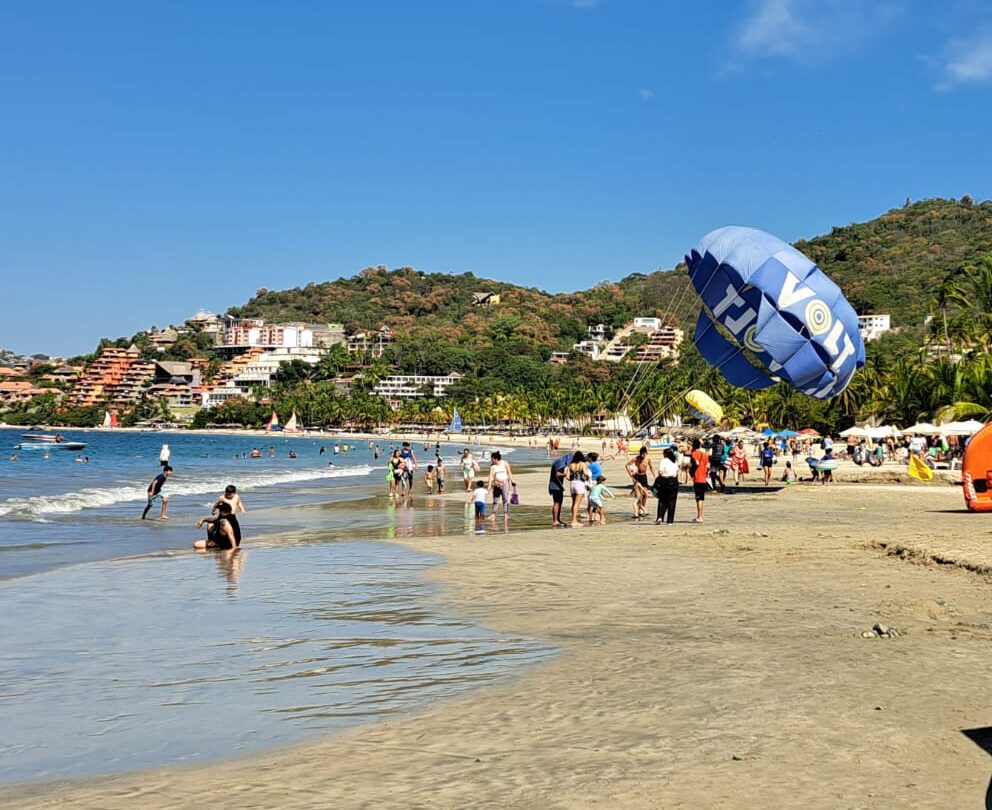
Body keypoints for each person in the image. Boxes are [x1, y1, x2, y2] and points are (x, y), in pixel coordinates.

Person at [653, 448, 680, 525]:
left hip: (665, 481)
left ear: (665, 454)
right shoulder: (675, 461)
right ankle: (670, 521)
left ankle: (660, 517)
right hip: (674, 481)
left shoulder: (664, 461)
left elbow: (660, 472)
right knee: (672, 501)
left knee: (662, 500)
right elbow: (677, 472)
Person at [629, 446, 655, 520]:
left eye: (645, 454)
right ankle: (639, 510)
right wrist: (631, 475)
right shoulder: (636, 458)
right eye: (642, 454)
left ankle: (642, 508)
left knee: (645, 494)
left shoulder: (648, 459)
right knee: (638, 494)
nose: (643, 456)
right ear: (640, 453)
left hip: (644, 476)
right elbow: (627, 465)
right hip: (637, 476)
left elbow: (651, 467)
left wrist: (654, 475)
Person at [487, 451, 515, 516]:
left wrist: (512, 480)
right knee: (495, 499)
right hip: (497, 484)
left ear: (496, 459)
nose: (491, 460)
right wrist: (489, 486)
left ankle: (505, 513)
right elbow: (491, 476)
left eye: (492, 459)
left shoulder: (505, 463)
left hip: (505, 482)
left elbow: (509, 472)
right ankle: (493, 514)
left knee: (505, 498)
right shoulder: (492, 466)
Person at [567, 451, 590, 527]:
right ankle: (574, 521)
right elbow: (586, 474)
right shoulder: (582, 464)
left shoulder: (571, 465)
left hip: (572, 483)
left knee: (573, 503)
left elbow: (567, 477)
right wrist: (587, 478)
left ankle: (573, 520)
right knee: (577, 504)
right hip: (579, 483)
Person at [690, 439, 709, 523]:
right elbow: (708, 465)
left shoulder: (693, 454)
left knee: (699, 499)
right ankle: (699, 516)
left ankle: (700, 517)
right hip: (704, 478)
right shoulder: (705, 455)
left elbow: (696, 463)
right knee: (701, 498)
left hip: (697, 478)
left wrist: (692, 471)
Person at [548, 453, 569, 527]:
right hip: (555, 486)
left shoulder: (559, 461)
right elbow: (557, 473)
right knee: (557, 503)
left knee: (559, 502)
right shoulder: (561, 462)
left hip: (557, 486)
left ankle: (558, 519)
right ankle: (555, 520)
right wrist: (565, 474)